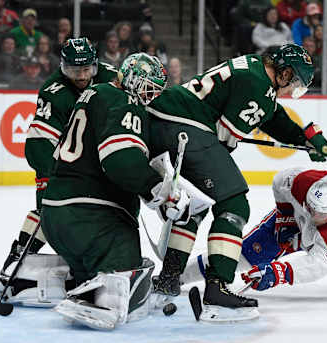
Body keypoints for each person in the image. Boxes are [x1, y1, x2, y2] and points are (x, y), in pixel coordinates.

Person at [147, 44, 327, 321]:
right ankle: (218, 288)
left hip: (164, 123)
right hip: (186, 127)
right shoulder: (258, 83)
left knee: (194, 206)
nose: (290, 90)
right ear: (283, 73)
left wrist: (305, 139)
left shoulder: (254, 72)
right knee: (233, 202)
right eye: (293, 82)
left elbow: (271, 114)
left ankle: (168, 279)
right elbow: (225, 138)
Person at [42, 53, 210, 330]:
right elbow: (120, 161)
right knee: (129, 281)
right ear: (133, 79)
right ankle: (103, 300)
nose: (150, 96)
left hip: (56, 217)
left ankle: (70, 282)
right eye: (147, 88)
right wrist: (160, 191)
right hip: (96, 221)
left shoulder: (93, 94)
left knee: (92, 274)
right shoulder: (125, 101)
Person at [0, 38, 118, 276]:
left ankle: (99, 259)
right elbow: (38, 144)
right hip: (59, 160)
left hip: (100, 157)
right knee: (48, 209)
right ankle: (20, 254)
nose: (82, 76)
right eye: (74, 70)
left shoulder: (112, 77)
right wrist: (59, 175)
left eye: (86, 69)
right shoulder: (54, 91)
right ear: (63, 66)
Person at [181, 168, 327, 299]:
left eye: (319, 212)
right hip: (293, 219)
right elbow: (280, 181)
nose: (312, 213)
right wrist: (285, 215)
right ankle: (178, 275)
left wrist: (278, 274)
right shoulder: (303, 182)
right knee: (241, 256)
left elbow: (315, 265)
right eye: (310, 206)